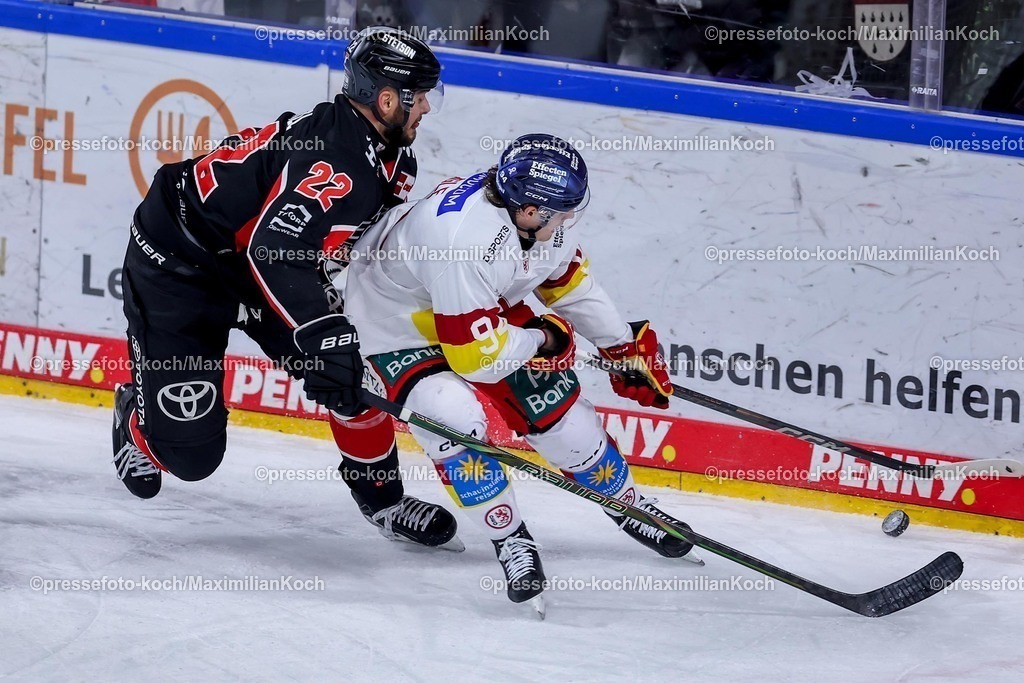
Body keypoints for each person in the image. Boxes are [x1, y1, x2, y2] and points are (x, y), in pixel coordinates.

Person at [112, 27, 463, 551]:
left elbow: (325, 249)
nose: (428, 109)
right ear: (387, 99)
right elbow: (273, 247)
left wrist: (340, 337)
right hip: (182, 263)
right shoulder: (334, 158)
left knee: (356, 373)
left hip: (260, 263)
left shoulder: (393, 158)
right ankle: (135, 414)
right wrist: (321, 332)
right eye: (421, 97)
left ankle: (383, 500)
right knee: (191, 458)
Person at [342, 133, 701, 610]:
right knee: (451, 418)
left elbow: (565, 279)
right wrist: (542, 339)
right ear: (530, 212)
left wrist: (620, 346)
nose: (570, 221)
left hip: (468, 310)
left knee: (564, 419)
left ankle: (628, 503)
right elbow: (475, 356)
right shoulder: (465, 242)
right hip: (392, 325)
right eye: (562, 214)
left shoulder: (532, 214)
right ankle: (511, 538)